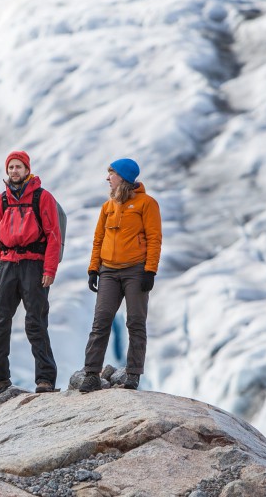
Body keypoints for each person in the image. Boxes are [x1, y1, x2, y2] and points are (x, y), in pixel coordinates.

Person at [79, 158, 162, 393]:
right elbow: (98, 239)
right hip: (108, 271)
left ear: (123, 177)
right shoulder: (108, 207)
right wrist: (93, 268)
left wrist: (150, 270)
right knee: (101, 321)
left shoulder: (147, 204)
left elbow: (155, 238)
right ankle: (91, 374)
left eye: (111, 174)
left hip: (136, 271)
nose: (108, 178)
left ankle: (133, 374)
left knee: (135, 322)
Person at [0, 151, 62, 399]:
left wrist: (49, 269)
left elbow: (53, 235)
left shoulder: (42, 197)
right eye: (11, 168)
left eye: (18, 167)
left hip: (34, 265)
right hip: (8, 265)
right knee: (0, 320)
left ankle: (45, 379)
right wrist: (0, 265)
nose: (14, 171)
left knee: (36, 322)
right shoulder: (2, 201)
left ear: (27, 169)